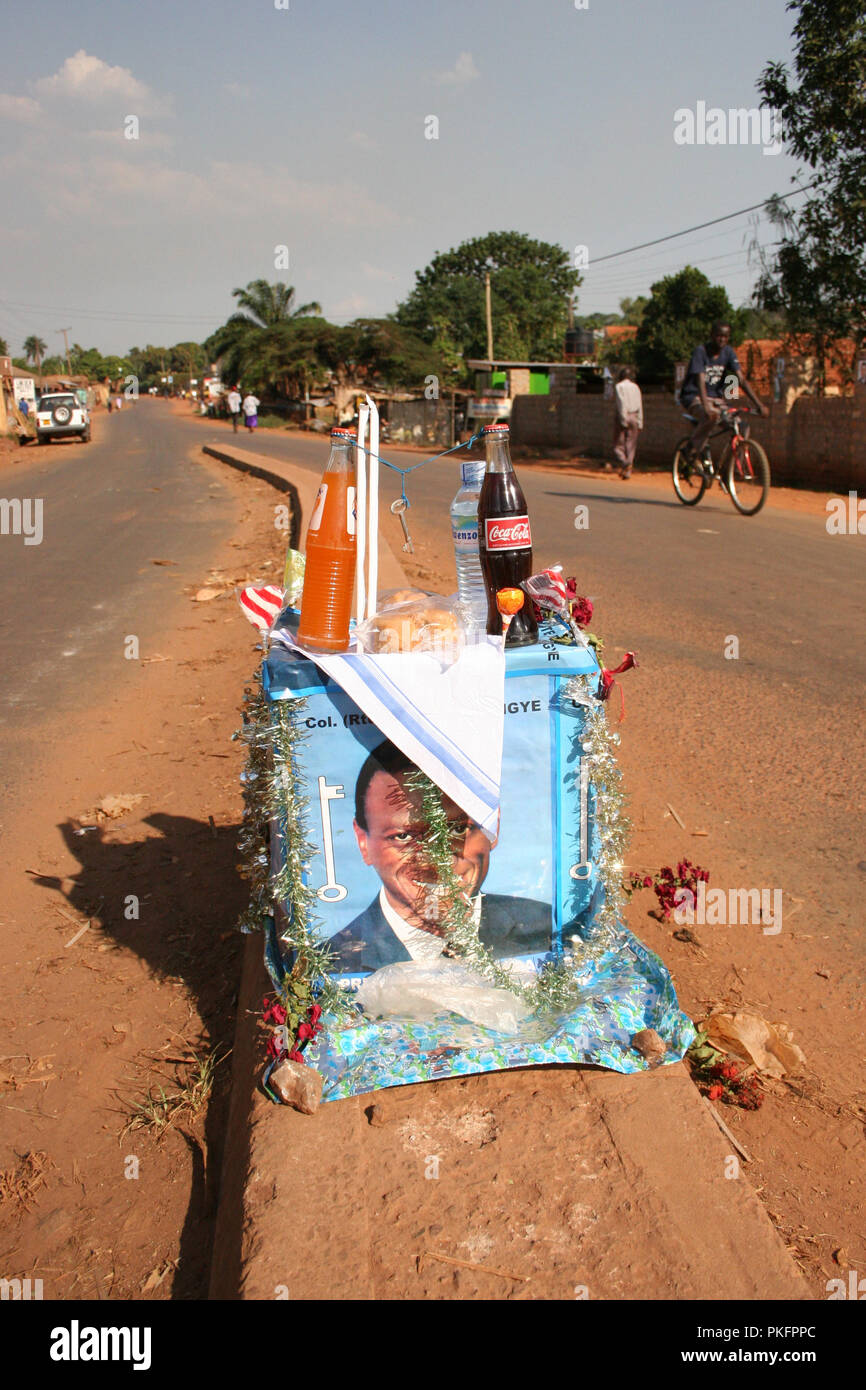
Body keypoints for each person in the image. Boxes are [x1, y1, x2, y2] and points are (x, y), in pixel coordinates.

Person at [326, 741, 554, 973]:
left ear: (493, 826)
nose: (436, 861)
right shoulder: (329, 967)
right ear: (363, 842)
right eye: (404, 836)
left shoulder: (550, 931)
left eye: (457, 830)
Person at [680, 321, 767, 457]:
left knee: (742, 427)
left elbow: (741, 379)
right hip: (694, 397)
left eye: (726, 336)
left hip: (716, 399)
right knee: (711, 416)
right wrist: (706, 407)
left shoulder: (728, 352)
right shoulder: (701, 352)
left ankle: (731, 467)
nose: (722, 339)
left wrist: (759, 404)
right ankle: (691, 448)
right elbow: (700, 380)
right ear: (712, 335)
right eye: (719, 336)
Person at [611, 367, 643, 479]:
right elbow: (639, 404)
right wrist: (640, 421)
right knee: (631, 445)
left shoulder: (619, 386)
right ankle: (628, 470)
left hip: (623, 415)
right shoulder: (636, 387)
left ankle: (625, 463)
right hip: (634, 416)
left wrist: (623, 419)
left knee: (618, 445)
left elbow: (621, 403)